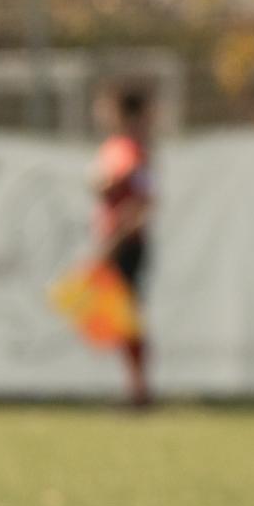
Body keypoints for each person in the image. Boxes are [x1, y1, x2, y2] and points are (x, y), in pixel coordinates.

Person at [89, 84, 155, 407]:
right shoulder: (119, 147)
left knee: (127, 317)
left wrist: (116, 238)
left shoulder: (130, 150)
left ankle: (139, 390)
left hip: (125, 243)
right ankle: (135, 388)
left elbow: (140, 198)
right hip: (115, 240)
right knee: (118, 318)